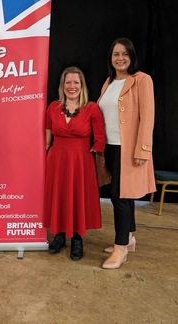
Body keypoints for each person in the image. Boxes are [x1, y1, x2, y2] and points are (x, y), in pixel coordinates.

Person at [97, 37, 155, 269]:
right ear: (110, 59)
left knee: (119, 197)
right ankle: (129, 236)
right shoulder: (108, 82)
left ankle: (120, 248)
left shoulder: (142, 80)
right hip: (109, 147)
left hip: (127, 148)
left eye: (125, 54)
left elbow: (147, 116)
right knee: (124, 194)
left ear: (131, 57)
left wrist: (143, 148)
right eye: (115, 54)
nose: (120, 58)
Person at [44, 66, 106, 260]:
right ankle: (60, 235)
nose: (72, 86)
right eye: (68, 82)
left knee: (78, 197)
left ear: (82, 85)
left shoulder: (92, 108)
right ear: (63, 85)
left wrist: (93, 155)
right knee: (60, 196)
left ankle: (78, 239)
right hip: (57, 159)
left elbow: (100, 137)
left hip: (81, 162)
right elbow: (47, 135)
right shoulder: (53, 107)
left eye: (76, 82)